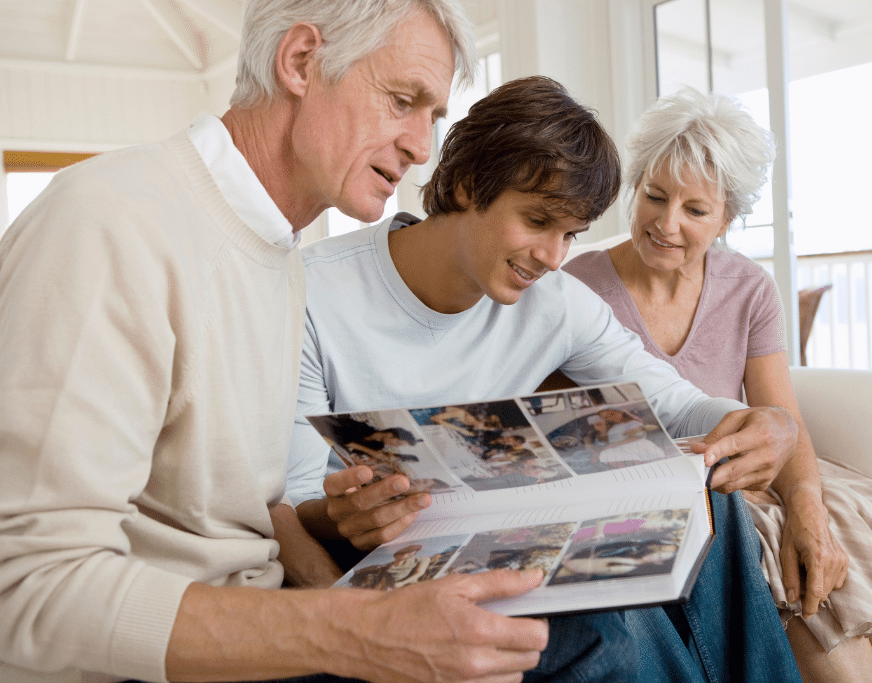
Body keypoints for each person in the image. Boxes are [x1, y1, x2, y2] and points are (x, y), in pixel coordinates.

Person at [0, 1, 591, 682]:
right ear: (301, 61)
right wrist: (361, 632)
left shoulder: (277, 257)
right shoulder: (109, 222)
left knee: (604, 618)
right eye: (403, 100)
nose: (422, 147)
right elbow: (28, 588)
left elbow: (244, 513)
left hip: (268, 623)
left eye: (432, 116)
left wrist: (356, 590)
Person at [287, 75, 803, 683]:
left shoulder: (555, 301)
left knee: (714, 492)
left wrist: (762, 425)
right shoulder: (311, 293)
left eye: (571, 235)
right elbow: (293, 504)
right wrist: (342, 516)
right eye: (537, 221)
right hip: (392, 555)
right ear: (464, 184)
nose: (554, 257)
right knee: (613, 626)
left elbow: (672, 402)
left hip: (508, 532)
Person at [563, 86, 872, 683]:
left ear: (728, 217)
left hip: (761, 468)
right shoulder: (577, 289)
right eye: (654, 196)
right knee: (807, 585)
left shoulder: (748, 286)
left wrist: (808, 507)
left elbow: (781, 414)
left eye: (696, 210)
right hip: (679, 487)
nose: (667, 223)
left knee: (837, 542)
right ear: (636, 185)